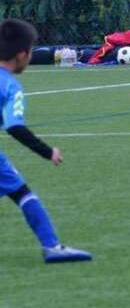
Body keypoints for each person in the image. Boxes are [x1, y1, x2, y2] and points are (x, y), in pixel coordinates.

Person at [0, 19, 92, 263]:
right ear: (22, 55)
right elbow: (14, 126)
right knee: (22, 193)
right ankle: (52, 247)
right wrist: (47, 152)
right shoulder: (10, 86)